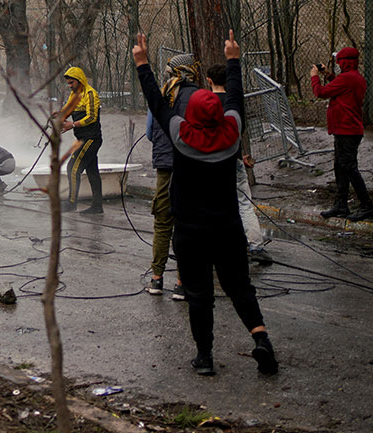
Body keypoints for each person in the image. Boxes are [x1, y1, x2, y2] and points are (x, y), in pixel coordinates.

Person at [133, 30, 278, 376]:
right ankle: (261, 339)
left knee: (199, 295)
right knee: (240, 288)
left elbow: (156, 102)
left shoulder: (181, 135)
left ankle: (205, 357)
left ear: (192, 115)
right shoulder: (231, 133)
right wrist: (233, 60)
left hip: (191, 232)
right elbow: (235, 98)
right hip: (228, 228)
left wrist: (142, 64)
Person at [206, 64, 273, 265]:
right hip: (233, 159)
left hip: (211, 161)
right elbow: (238, 130)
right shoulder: (233, 103)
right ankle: (256, 245)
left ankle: (215, 246)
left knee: (212, 204)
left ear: (209, 80)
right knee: (243, 203)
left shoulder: (205, 102)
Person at [145, 54, 199, 300]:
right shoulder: (198, 96)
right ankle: (181, 283)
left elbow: (149, 133)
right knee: (186, 224)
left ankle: (156, 279)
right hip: (190, 165)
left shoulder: (160, 95)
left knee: (162, 223)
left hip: (165, 166)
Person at [311, 48, 373, 222]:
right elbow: (340, 87)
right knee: (340, 166)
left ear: (345, 62)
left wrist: (314, 77)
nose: (339, 65)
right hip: (346, 129)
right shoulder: (354, 77)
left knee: (349, 167)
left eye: (340, 62)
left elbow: (321, 93)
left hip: (347, 129)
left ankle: (367, 206)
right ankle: (341, 204)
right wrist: (328, 75)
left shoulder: (347, 78)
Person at [58, 67, 103, 214]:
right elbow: (67, 109)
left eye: (72, 82)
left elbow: (92, 117)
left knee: (73, 168)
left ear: (79, 80)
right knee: (92, 171)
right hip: (82, 138)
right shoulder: (74, 95)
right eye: (68, 83)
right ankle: (97, 206)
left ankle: (71, 204)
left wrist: (72, 125)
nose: (70, 86)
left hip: (91, 139)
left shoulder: (90, 94)